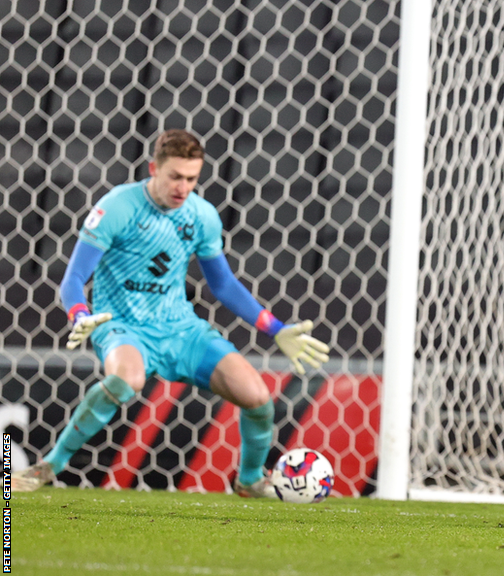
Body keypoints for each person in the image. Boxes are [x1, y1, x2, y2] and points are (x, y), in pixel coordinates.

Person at [12, 129, 330, 497]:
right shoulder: (117, 206)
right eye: (175, 177)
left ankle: (249, 480)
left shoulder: (202, 216)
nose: (183, 187)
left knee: (257, 397)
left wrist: (274, 328)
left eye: (192, 179)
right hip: (121, 325)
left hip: (180, 330)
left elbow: (223, 284)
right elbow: (74, 278)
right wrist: (80, 314)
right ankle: (50, 465)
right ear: (154, 169)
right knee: (125, 380)